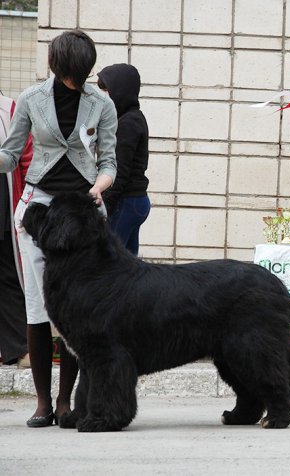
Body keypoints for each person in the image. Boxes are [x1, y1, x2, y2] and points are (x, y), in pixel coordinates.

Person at [0, 29, 117, 427]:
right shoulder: (31, 99)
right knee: (38, 305)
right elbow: (11, 154)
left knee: (76, 309)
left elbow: (110, 162)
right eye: (72, 74)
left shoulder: (101, 102)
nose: (76, 82)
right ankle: (42, 402)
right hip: (39, 210)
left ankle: (66, 401)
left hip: (83, 214)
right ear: (56, 66)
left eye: (82, 74)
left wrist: (100, 186)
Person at [96, 64, 150, 255]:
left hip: (126, 201)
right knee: (129, 266)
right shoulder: (132, 118)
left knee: (108, 262)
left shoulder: (128, 123)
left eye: (106, 90)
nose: (103, 95)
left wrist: (105, 205)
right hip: (135, 201)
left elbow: (120, 169)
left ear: (120, 91)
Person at [0, 93, 32, 368]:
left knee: (9, 274)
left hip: (5, 201)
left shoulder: (11, 109)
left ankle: (19, 348)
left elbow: (27, 158)